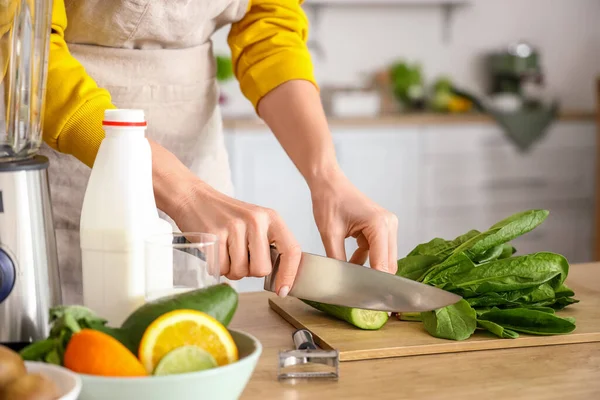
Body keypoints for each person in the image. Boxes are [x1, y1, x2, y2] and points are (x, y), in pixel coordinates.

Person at [41, 0, 399, 304]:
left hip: (195, 142)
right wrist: (187, 195)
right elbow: (22, 46)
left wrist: (328, 177)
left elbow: (270, 29)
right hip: (62, 145)